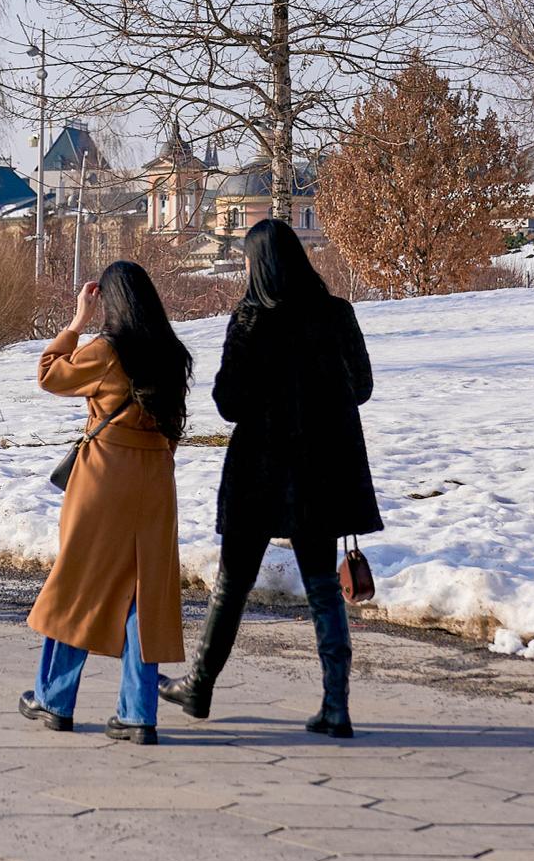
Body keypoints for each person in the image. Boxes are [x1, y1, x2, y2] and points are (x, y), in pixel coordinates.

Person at [161, 220, 378, 737]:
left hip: (260, 471)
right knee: (324, 588)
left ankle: (200, 686)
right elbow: (363, 387)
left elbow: (228, 402)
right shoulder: (336, 314)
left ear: (261, 264)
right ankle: (336, 705)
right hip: (322, 470)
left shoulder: (252, 319)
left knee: (232, 583)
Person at [20, 261, 190, 745]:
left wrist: (76, 322)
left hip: (103, 476)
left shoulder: (108, 350)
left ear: (111, 303)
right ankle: (138, 714)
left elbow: (49, 375)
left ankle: (53, 700)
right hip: (156, 475)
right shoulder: (171, 352)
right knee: (145, 593)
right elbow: (173, 425)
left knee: (79, 580)